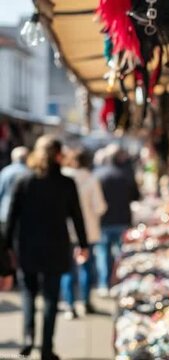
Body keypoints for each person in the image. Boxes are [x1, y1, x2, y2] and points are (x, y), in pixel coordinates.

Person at [6, 135, 88, 360]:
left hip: (27, 247)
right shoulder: (65, 183)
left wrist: (5, 248)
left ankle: (28, 339)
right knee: (51, 297)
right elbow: (77, 217)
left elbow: (11, 217)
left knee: (29, 295)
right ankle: (46, 348)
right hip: (55, 247)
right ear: (59, 155)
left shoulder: (24, 181)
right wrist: (83, 244)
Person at [60, 148, 107, 318]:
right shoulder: (91, 179)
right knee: (87, 267)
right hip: (88, 231)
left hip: (66, 231)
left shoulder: (64, 177)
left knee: (68, 269)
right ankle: (85, 301)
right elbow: (100, 207)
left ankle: (70, 304)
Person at [94, 144, 140, 296]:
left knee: (104, 254)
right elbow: (135, 196)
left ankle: (104, 284)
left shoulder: (99, 175)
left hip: (105, 220)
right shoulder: (125, 175)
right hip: (121, 219)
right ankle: (117, 283)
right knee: (120, 254)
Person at [0, 146, 29, 291]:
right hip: (24, 217)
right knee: (19, 246)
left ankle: (10, 271)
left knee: (7, 245)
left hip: (5, 214)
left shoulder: (6, 172)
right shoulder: (29, 173)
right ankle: (18, 274)